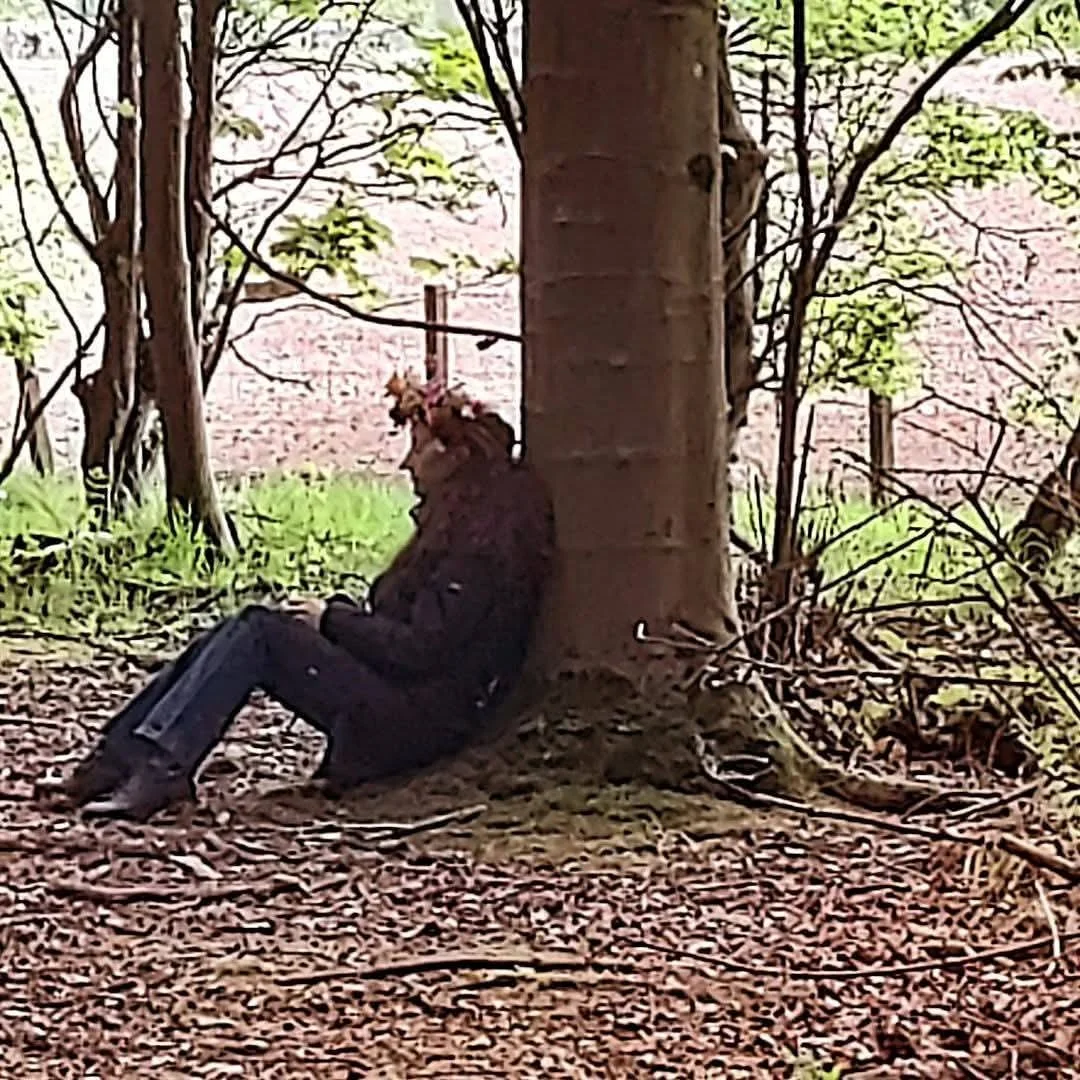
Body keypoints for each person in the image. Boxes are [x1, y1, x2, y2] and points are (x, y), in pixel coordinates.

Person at [47, 374, 555, 822]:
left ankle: (162, 765)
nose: (405, 462)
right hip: (405, 702)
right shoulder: (463, 527)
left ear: (457, 457)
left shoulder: (480, 548)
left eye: (419, 447)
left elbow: (420, 649)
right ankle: (121, 757)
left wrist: (332, 620)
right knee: (247, 625)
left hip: (417, 723)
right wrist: (335, 615)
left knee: (259, 633)